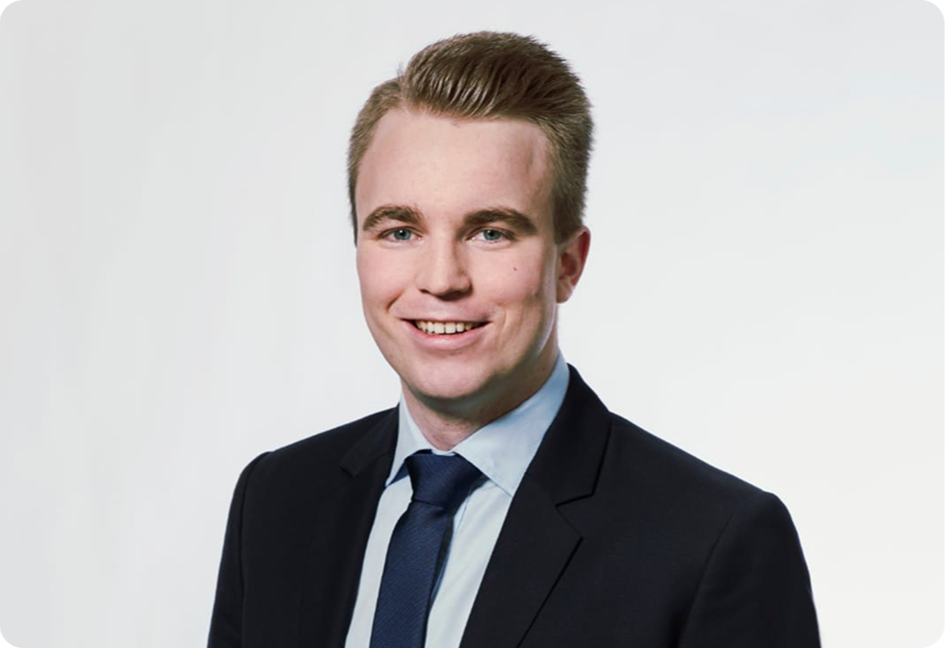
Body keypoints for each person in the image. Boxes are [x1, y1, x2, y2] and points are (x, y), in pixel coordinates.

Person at [208, 31, 820, 648]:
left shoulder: (716, 543)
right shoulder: (276, 500)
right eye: (400, 231)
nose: (441, 280)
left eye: (491, 232)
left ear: (568, 264)